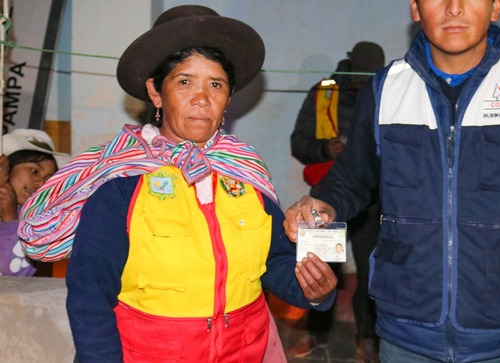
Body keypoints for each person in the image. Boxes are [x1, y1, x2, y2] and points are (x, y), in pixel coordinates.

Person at [17, 5, 337, 362]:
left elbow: (273, 260)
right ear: (156, 92)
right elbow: (90, 295)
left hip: (245, 351)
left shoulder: (243, 171)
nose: (201, 98)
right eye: (185, 81)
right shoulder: (121, 182)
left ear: (228, 98)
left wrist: (311, 289)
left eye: (215, 84)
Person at [284, 0, 500, 362]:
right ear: (415, 9)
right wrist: (321, 203)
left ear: (496, 7)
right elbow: (350, 179)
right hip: (405, 338)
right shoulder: (387, 90)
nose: (453, 8)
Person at [288, 41, 384, 361]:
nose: (364, 83)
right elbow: (299, 143)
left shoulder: (386, 92)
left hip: (370, 201)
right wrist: (325, 150)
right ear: (349, 66)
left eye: (370, 77)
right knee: (319, 267)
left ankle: (367, 335)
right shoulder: (323, 93)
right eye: (360, 76)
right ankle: (316, 332)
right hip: (328, 196)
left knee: (370, 271)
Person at [0, 129, 69, 276]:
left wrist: (10, 219)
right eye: (34, 170)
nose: (40, 183)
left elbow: (15, 274)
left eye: (48, 178)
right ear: (6, 167)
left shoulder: (36, 223)